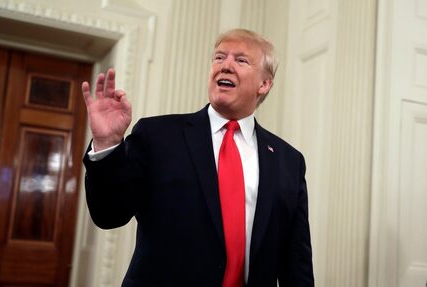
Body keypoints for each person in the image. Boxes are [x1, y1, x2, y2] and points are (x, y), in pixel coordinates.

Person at [82, 29, 314, 287]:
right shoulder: (157, 136)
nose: (225, 66)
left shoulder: (289, 162)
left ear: (264, 84)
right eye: (219, 57)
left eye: (241, 60)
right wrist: (107, 144)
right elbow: (109, 214)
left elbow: (297, 262)